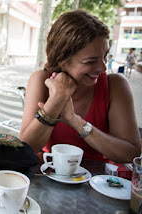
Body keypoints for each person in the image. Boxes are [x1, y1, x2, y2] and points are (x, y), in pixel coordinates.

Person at [19, 10, 141, 163]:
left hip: (98, 180)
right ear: (62, 60)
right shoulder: (41, 80)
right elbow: (25, 150)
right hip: (49, 175)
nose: (103, 68)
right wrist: (56, 100)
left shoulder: (115, 85)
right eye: (90, 61)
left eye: (105, 56)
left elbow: (131, 154)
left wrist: (75, 121)